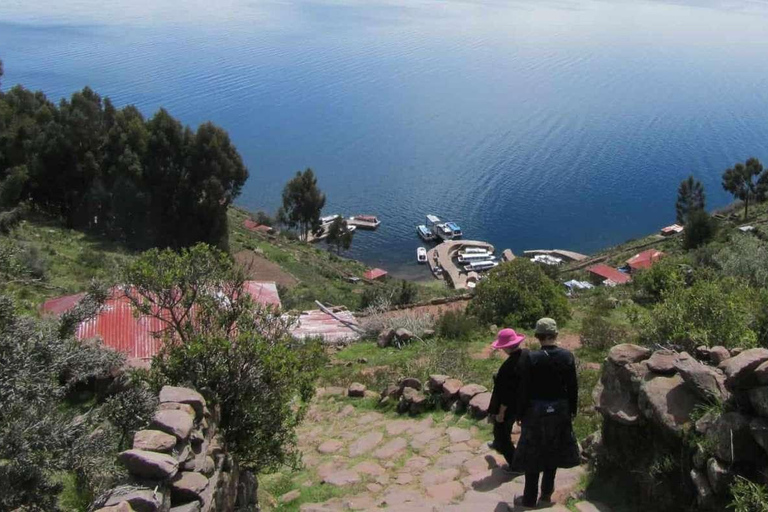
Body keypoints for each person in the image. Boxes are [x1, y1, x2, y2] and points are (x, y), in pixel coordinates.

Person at [512, 318, 580, 508]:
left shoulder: (530, 358)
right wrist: (572, 410)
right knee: (553, 450)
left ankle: (528, 498)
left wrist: (520, 413)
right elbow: (572, 387)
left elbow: (523, 389)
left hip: (535, 411)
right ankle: (546, 495)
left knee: (533, 454)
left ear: (537, 336)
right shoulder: (567, 356)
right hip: (560, 410)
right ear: (555, 335)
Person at [487, 328, 527, 470]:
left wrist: (501, 413)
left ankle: (517, 465)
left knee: (502, 435)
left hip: (509, 407)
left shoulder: (508, 367)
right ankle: (499, 445)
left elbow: (506, 394)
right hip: (524, 402)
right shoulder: (527, 355)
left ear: (505, 347)